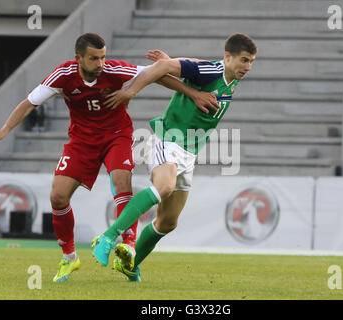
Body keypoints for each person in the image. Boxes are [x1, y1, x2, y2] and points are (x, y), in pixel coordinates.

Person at [0, 33, 219, 282]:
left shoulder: (115, 70)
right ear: (79, 58)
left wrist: (192, 93)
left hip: (117, 136)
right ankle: (69, 257)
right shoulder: (63, 75)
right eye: (94, 58)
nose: (100, 63)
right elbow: (29, 103)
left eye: (103, 57)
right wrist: (5, 129)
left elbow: (157, 74)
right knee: (57, 196)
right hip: (81, 142)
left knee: (122, 182)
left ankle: (128, 245)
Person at [91, 33, 257, 281]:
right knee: (164, 187)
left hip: (188, 152)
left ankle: (130, 265)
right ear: (227, 57)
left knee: (168, 222)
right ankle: (106, 237)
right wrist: (132, 91)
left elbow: (178, 71)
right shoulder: (211, 71)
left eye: (251, 61)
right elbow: (163, 69)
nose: (248, 67)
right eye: (244, 60)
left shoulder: (231, 78)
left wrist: (177, 71)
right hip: (168, 139)